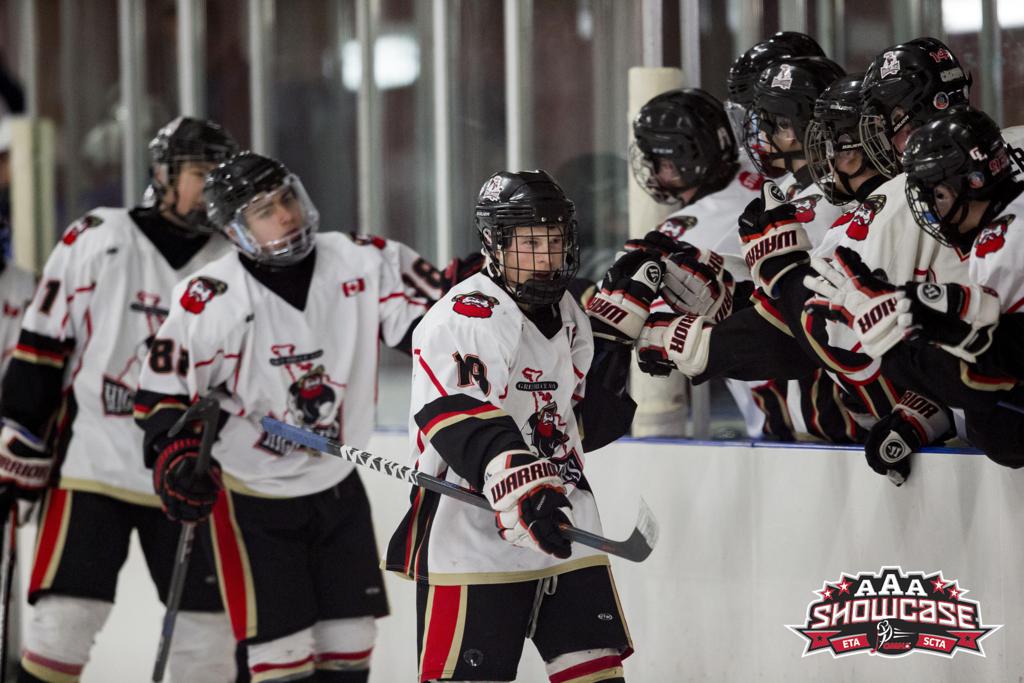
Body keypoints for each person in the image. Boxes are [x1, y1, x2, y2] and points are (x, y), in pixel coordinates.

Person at [134, 151, 435, 681]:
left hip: (336, 485)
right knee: (283, 655)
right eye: (264, 210)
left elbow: (438, 328)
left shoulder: (361, 260)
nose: (286, 215)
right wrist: (176, 459)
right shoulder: (210, 297)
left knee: (351, 642)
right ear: (234, 229)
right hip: (252, 496)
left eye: (287, 198)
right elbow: (162, 396)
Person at [385, 170, 653, 682]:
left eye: (554, 240)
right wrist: (524, 485)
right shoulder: (466, 314)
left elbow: (577, 426)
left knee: (597, 674)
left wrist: (616, 348)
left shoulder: (569, 311)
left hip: (563, 521)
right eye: (530, 243)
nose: (546, 256)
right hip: (472, 535)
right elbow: (459, 416)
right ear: (495, 242)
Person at [0, 116, 239, 681]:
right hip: (91, 465)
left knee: (207, 640)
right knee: (63, 625)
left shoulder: (231, 262)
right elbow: (42, 344)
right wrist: (18, 431)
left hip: (188, 472)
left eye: (220, 175)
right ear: (163, 173)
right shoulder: (97, 236)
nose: (211, 186)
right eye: (200, 172)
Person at [804, 106, 1024, 467]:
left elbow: (986, 382)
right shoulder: (1007, 219)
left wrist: (892, 343)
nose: (933, 212)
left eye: (938, 195)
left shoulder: (1004, 241)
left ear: (973, 182)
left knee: (995, 426)